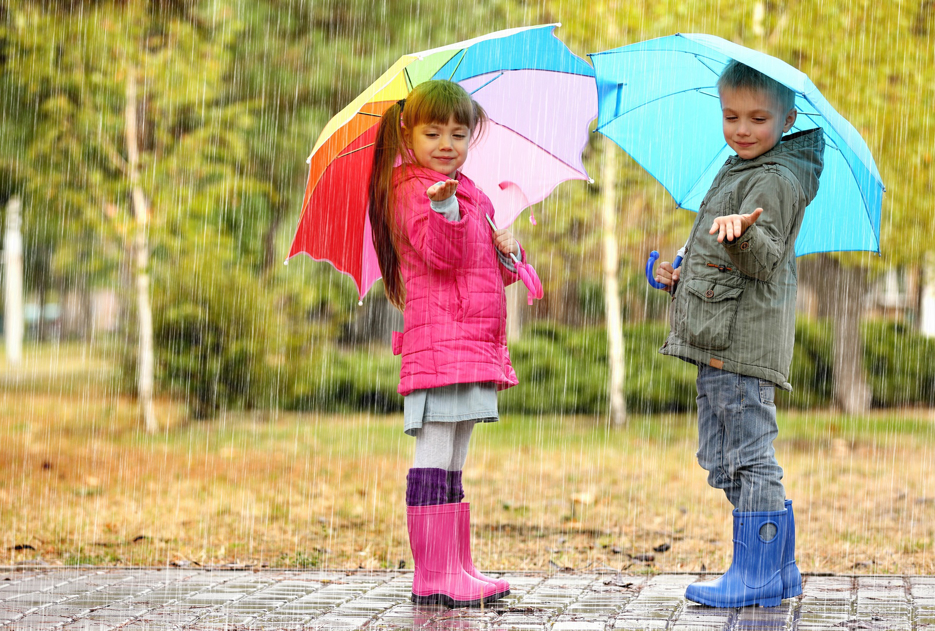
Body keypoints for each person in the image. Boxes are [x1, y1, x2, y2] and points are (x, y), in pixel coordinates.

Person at [653, 60, 824, 608]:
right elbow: (716, 257)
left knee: (747, 458)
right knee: (721, 458)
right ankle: (779, 566)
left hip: (742, 348)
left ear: (787, 118)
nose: (742, 129)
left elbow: (764, 257)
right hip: (720, 341)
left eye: (757, 118)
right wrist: (678, 274)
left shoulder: (775, 180)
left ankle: (757, 571)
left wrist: (741, 237)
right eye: (731, 116)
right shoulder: (737, 168)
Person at [368, 80, 526, 608]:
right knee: (435, 451)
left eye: (458, 134)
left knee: (455, 458)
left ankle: (455, 565)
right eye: (432, 132)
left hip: (468, 341)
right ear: (407, 134)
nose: (446, 143)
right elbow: (440, 255)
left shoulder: (468, 190)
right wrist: (444, 211)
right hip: (440, 342)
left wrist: (509, 250)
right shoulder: (414, 190)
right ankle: (433, 572)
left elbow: (481, 274)